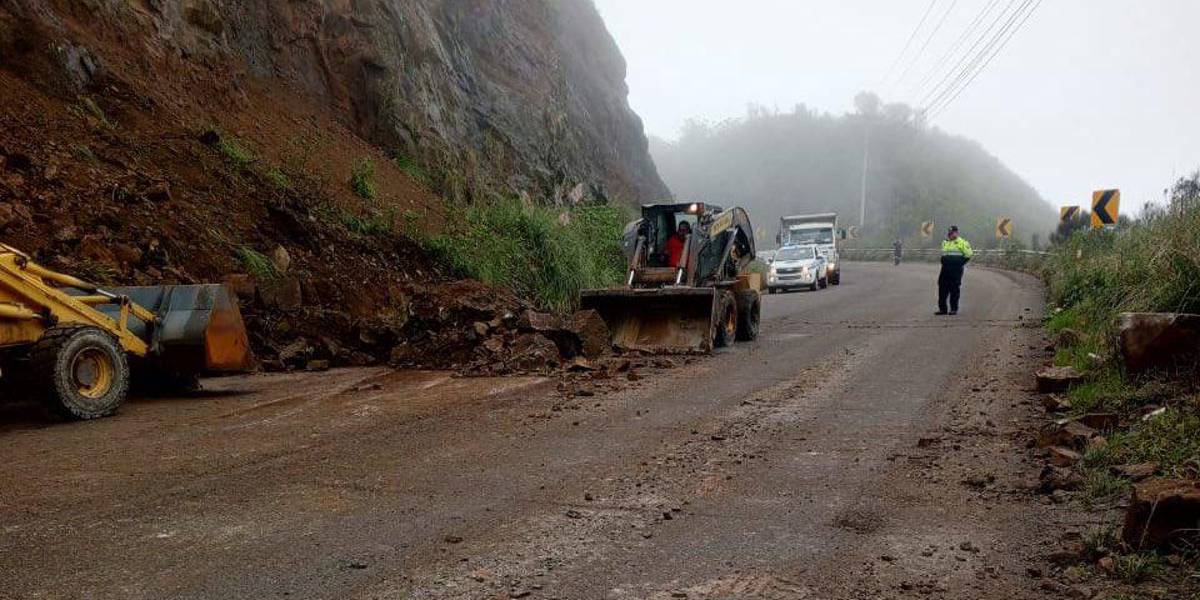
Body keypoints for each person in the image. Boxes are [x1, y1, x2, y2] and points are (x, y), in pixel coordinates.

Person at [936, 225, 973, 315]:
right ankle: (942, 309)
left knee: (954, 289)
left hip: (956, 270)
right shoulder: (945, 242)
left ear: (956, 233)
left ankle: (953, 309)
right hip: (945, 269)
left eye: (952, 233)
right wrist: (943, 260)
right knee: (942, 288)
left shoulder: (962, 242)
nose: (951, 235)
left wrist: (959, 263)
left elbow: (968, 254)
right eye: (949, 233)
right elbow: (944, 254)